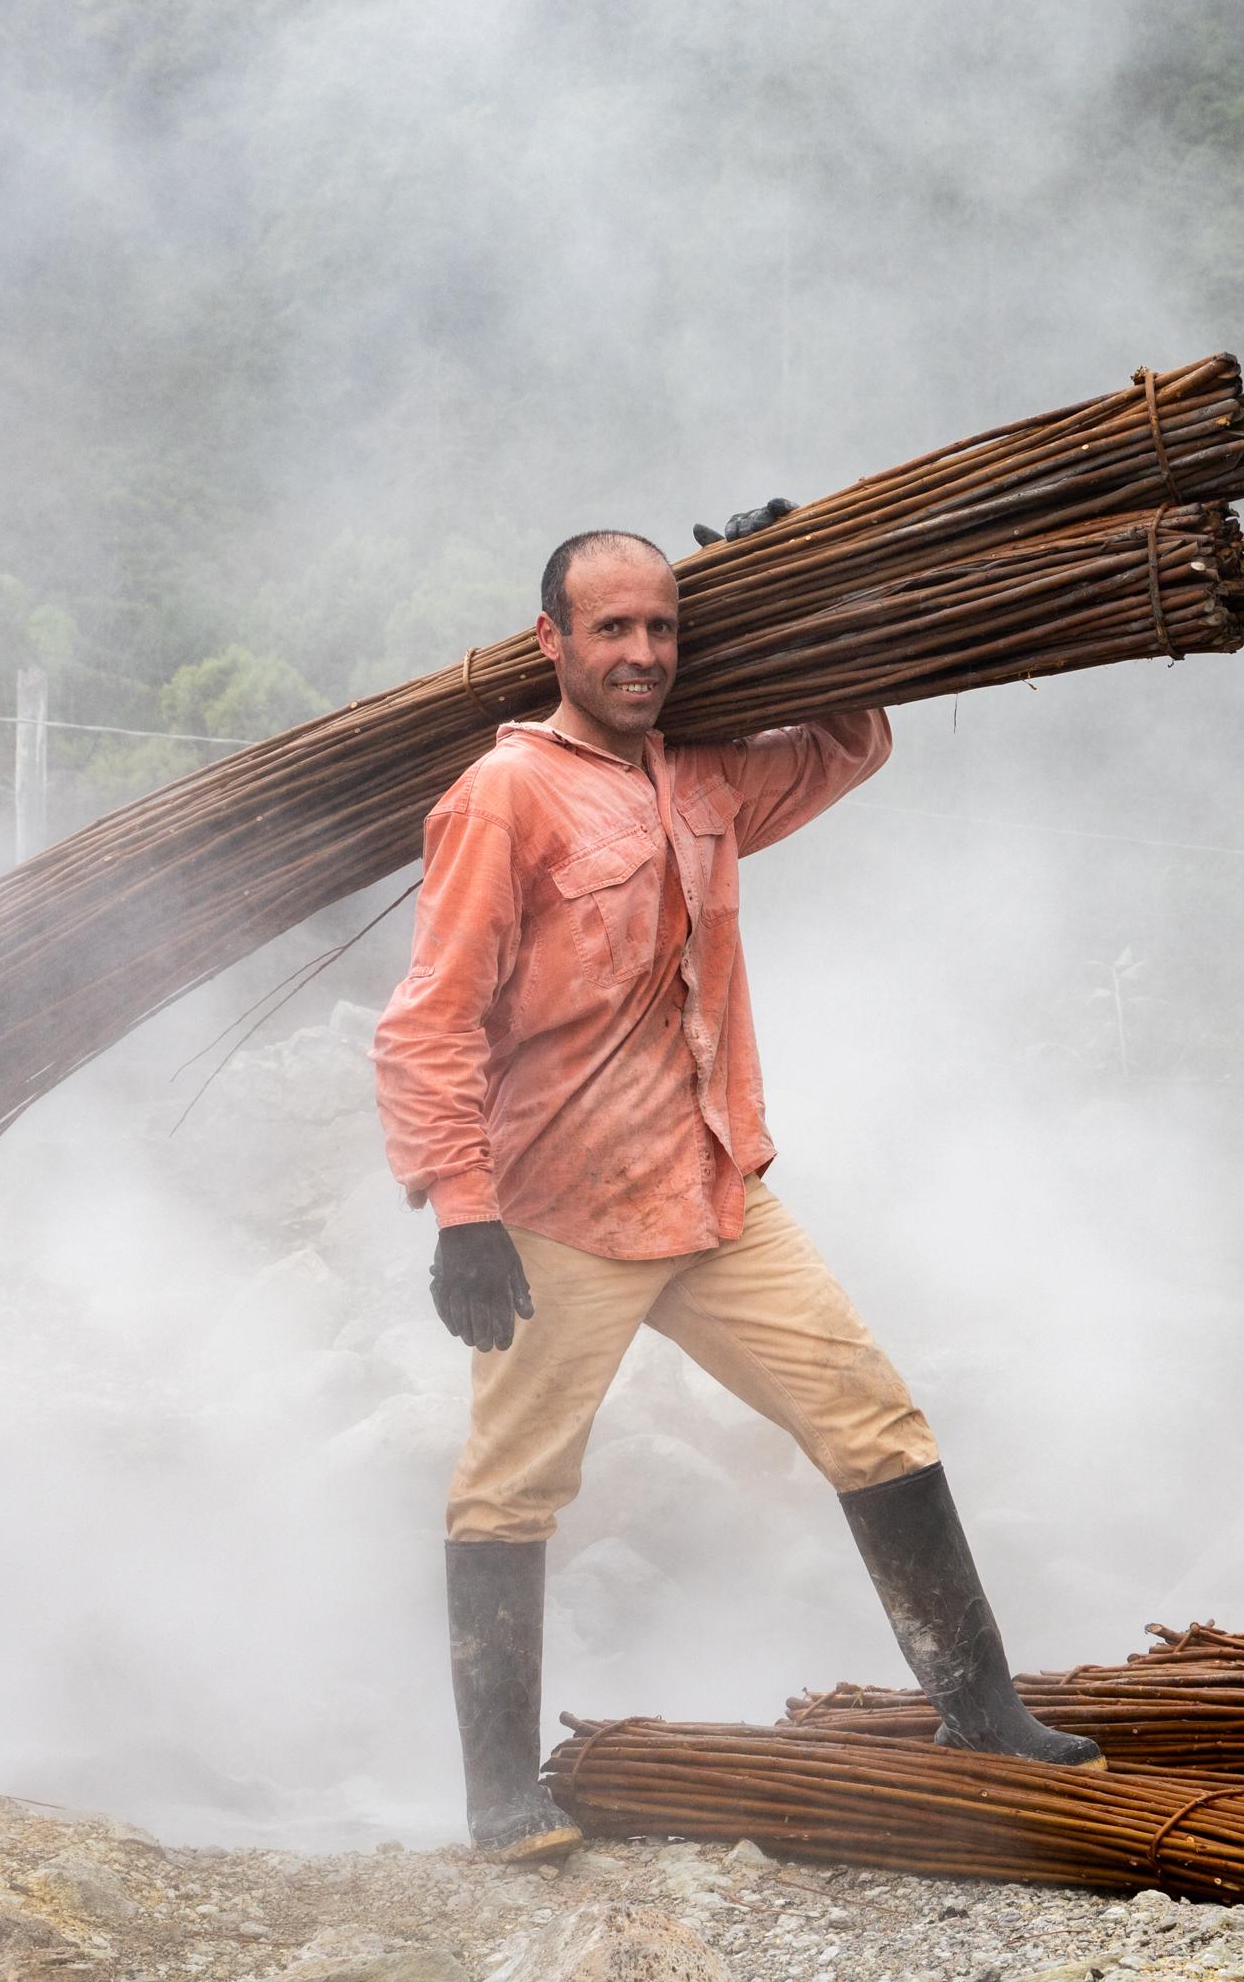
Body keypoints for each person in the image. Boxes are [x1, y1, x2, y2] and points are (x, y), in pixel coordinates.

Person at [372, 529, 1102, 1864]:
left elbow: (847, 747)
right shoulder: (503, 797)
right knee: (512, 1491)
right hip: (559, 1213)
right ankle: (501, 1798)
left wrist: (808, 588)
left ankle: (982, 1713)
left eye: (661, 628)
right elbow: (429, 1023)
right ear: (552, 640)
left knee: (873, 1420)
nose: (642, 653)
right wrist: (461, 1211)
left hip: (715, 1197)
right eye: (612, 629)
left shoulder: (699, 775)